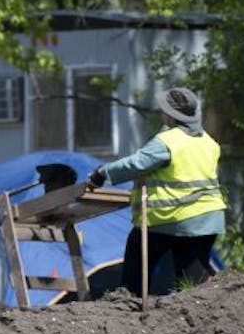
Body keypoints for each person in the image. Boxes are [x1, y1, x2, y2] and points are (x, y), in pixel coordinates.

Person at [86, 87, 226, 296]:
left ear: (170, 114)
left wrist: (102, 173)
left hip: (171, 218)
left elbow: (137, 163)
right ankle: (206, 308)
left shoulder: (168, 141)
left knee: (137, 254)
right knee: (190, 275)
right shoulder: (209, 142)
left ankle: (131, 300)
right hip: (209, 220)